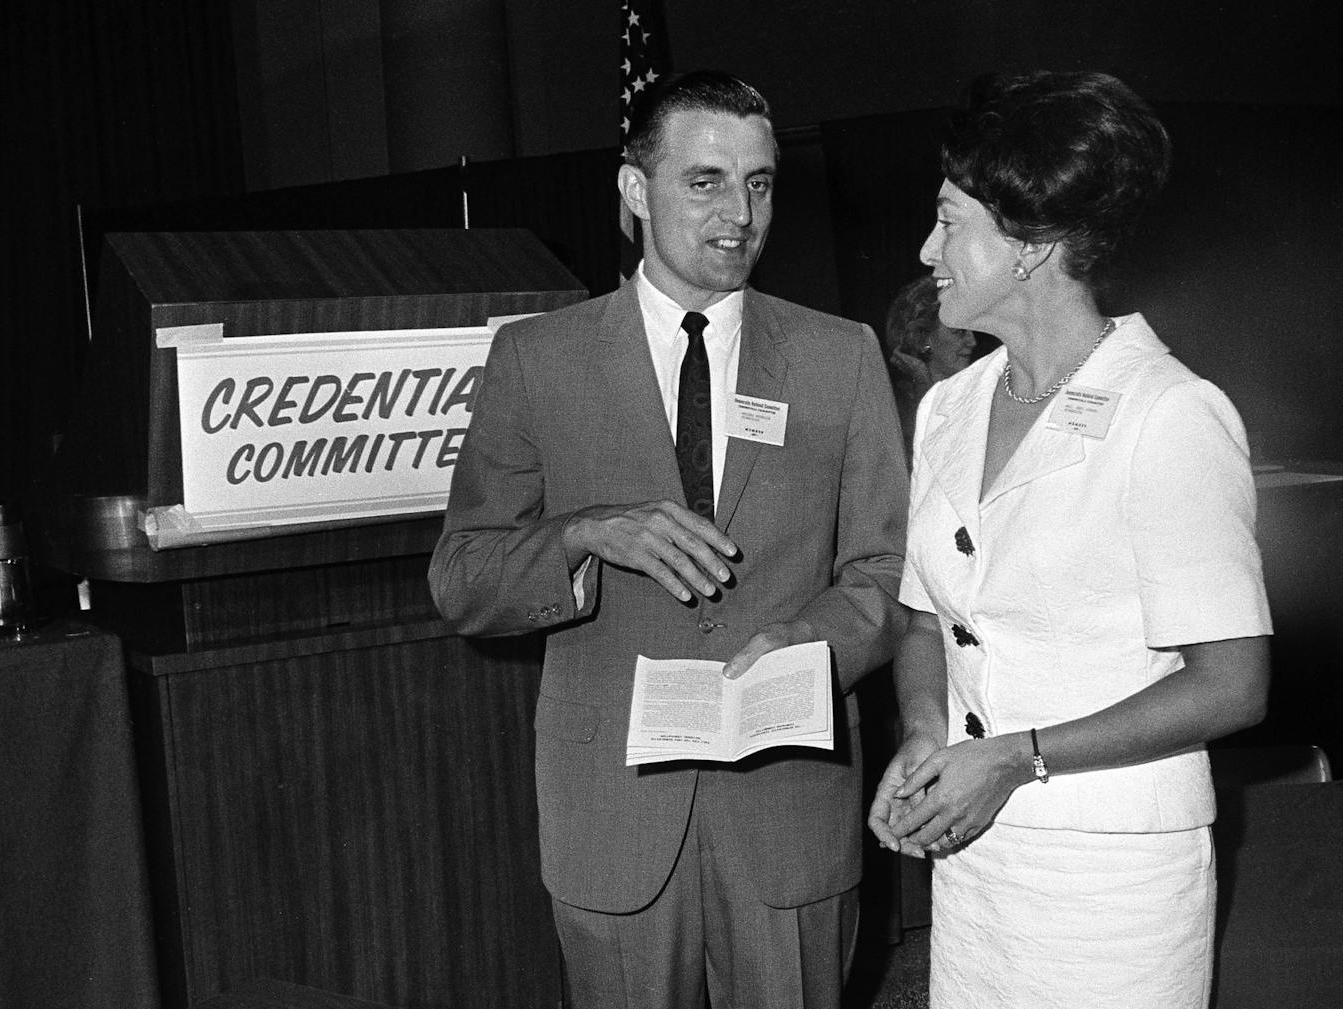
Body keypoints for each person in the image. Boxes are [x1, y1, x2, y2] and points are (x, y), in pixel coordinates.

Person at [429, 70, 909, 1009]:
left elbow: (887, 570)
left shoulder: (839, 355)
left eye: (760, 183)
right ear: (635, 191)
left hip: (788, 807)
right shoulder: (537, 359)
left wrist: (809, 644)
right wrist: (584, 533)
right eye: (706, 181)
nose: (739, 213)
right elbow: (462, 576)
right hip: (612, 815)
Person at [867, 70, 1272, 1008]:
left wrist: (1017, 755)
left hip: (1112, 884)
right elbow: (926, 622)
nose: (927, 249)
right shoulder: (951, 409)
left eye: (949, 221)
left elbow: (1233, 682)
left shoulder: (1169, 413)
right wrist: (927, 733)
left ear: (1030, 245)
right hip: (975, 863)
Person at [883, 274, 980, 456]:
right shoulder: (893, 405)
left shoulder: (977, 390)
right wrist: (921, 380)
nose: (972, 342)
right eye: (959, 332)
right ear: (922, 337)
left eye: (973, 330)